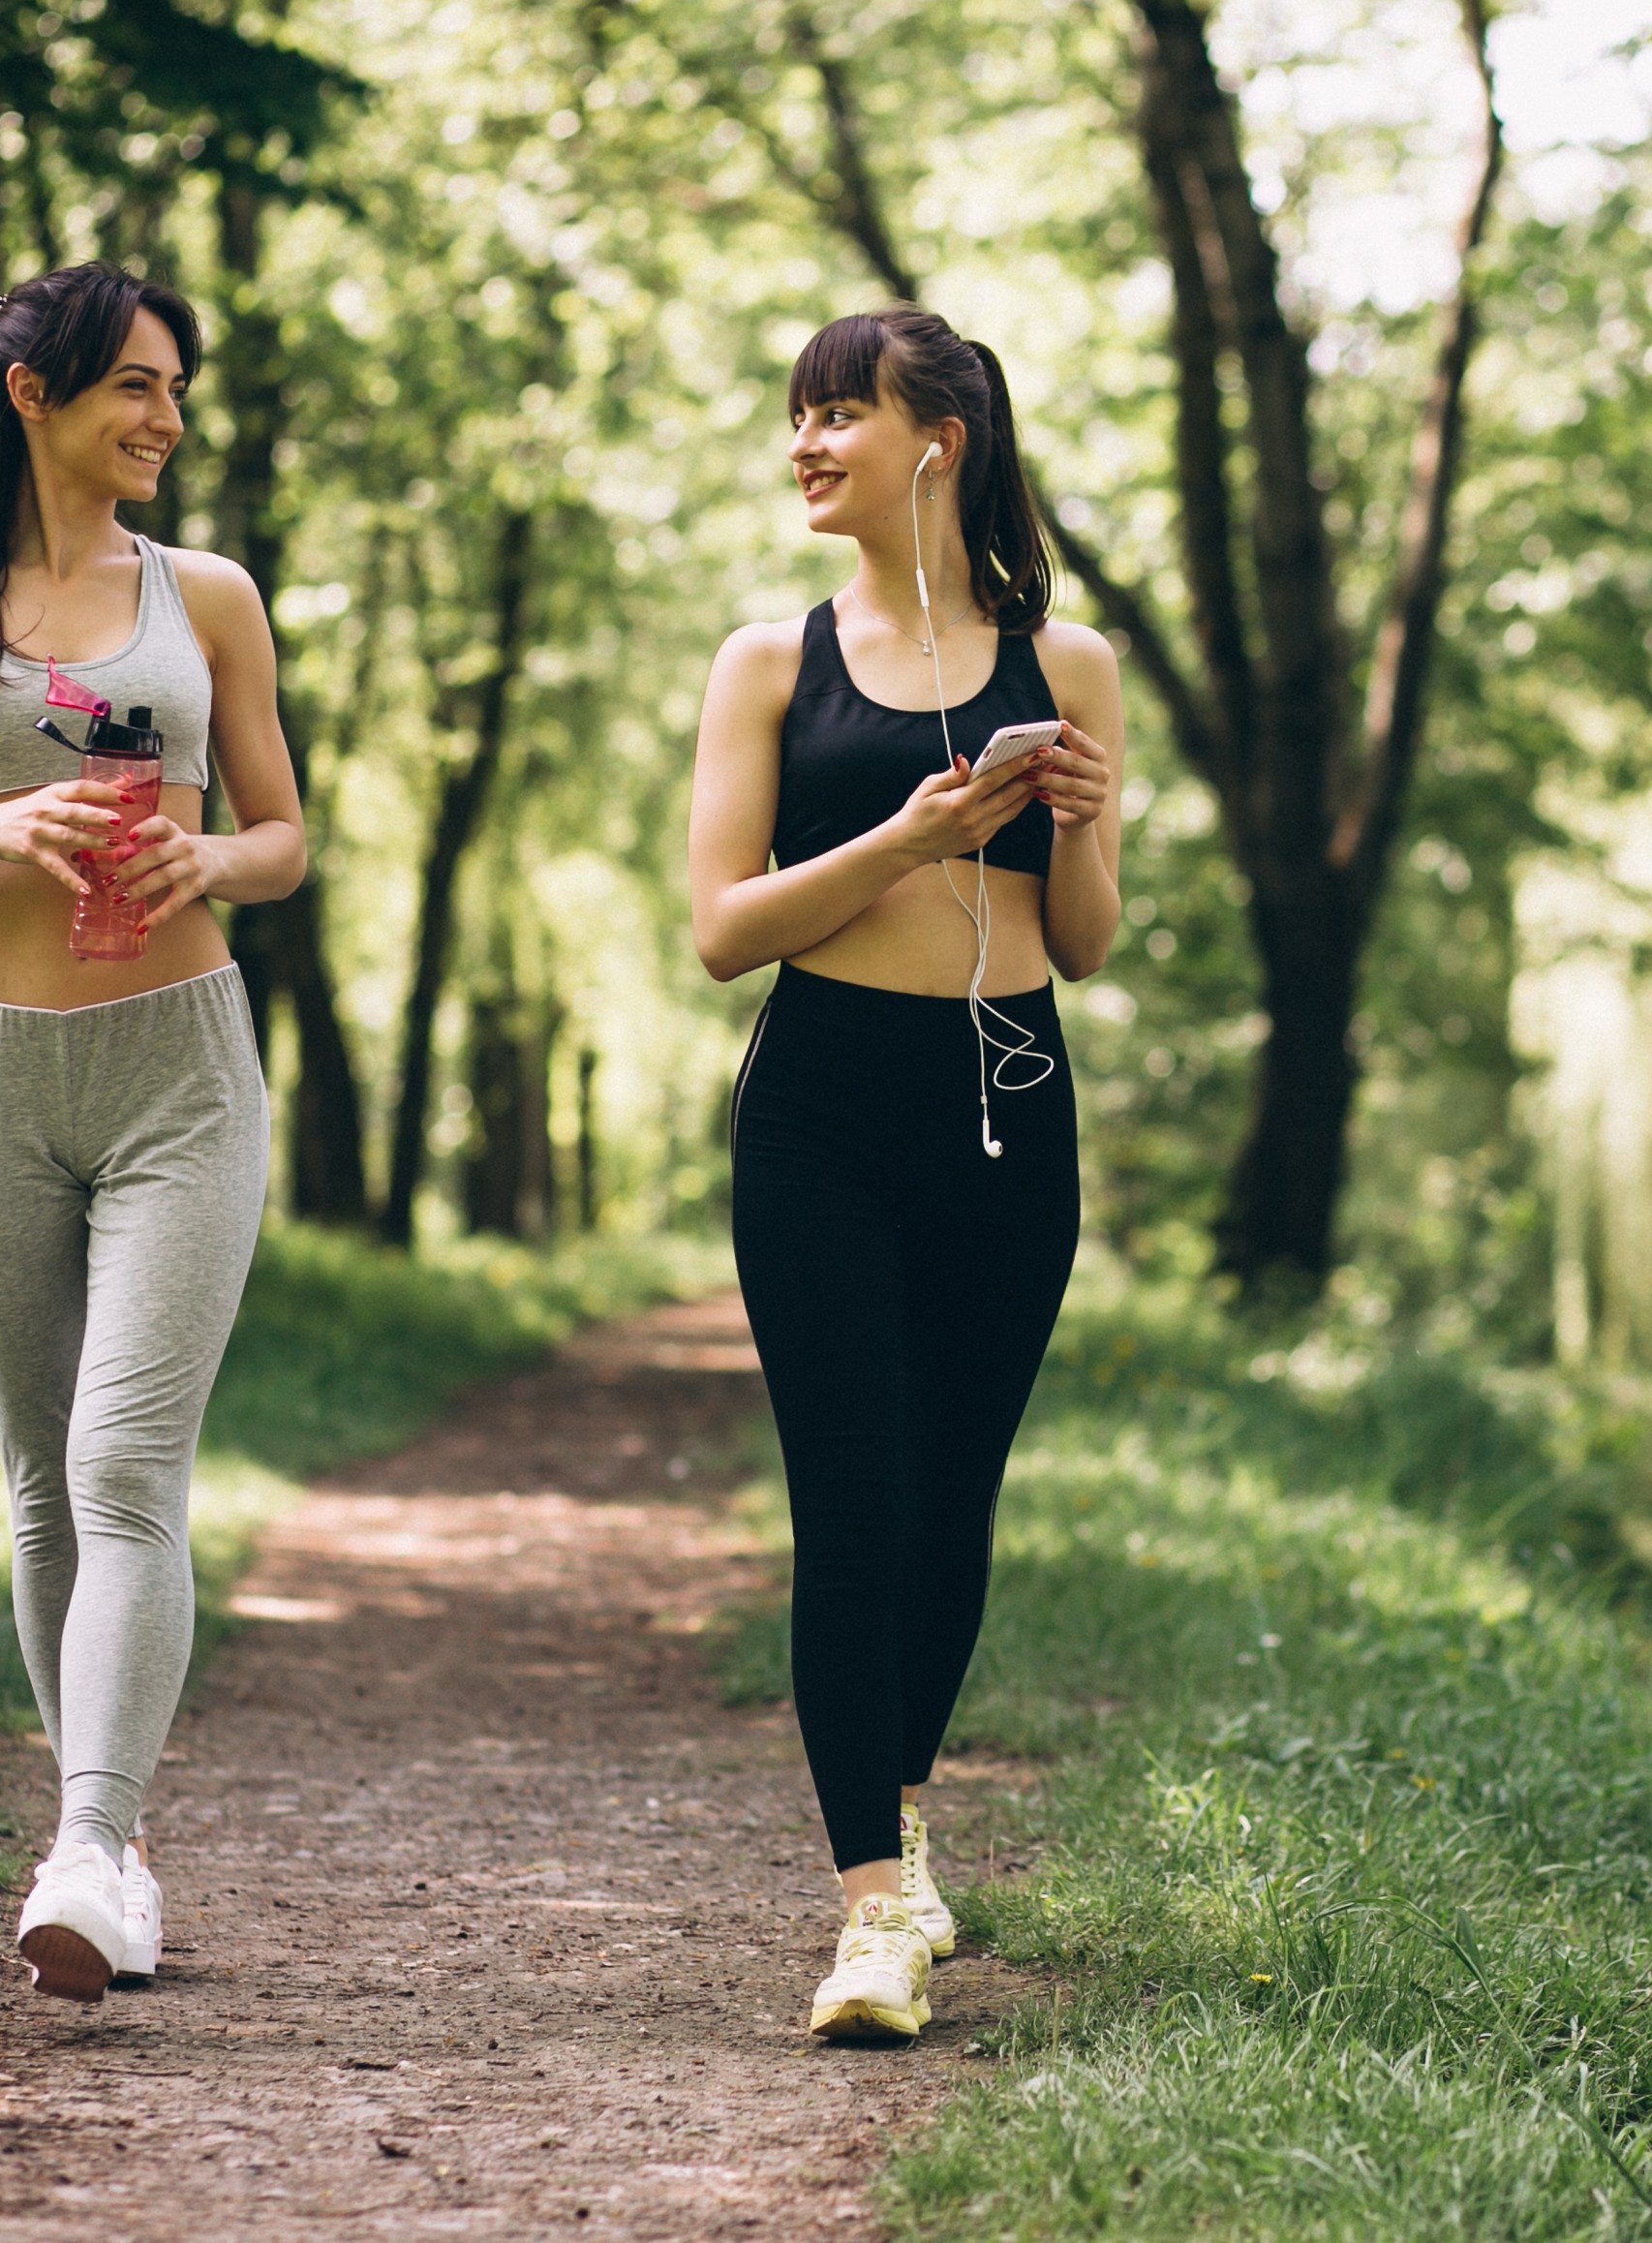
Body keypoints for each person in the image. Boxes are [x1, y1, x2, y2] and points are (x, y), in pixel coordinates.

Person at [0, 263, 305, 2004]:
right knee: (38, 1488)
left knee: (120, 1465)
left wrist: (209, 858)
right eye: (139, 388)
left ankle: (88, 1841)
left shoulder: (210, 595)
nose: (168, 419)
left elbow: (283, 831)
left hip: (181, 1065)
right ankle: (119, 1852)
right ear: (33, 395)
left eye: (177, 390)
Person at [688, 303, 1122, 2043]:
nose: (802, 444)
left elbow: (1081, 944)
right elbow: (724, 929)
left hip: (1007, 1099)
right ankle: (869, 1912)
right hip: (820, 1108)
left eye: (833, 416)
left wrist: (1070, 818)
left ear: (934, 438)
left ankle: (906, 1826)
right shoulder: (768, 662)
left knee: (952, 1500)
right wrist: (908, 831)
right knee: (851, 1495)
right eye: (795, 417)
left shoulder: (1065, 660)